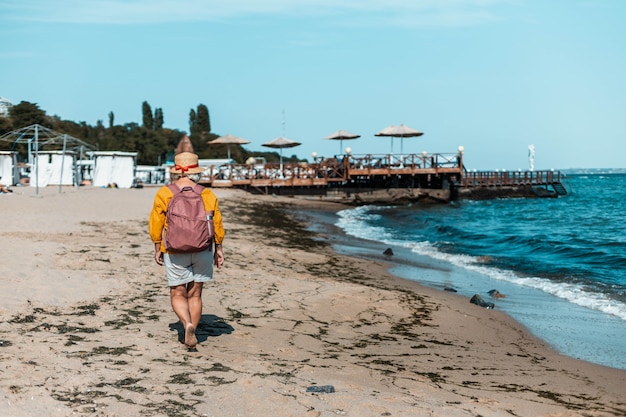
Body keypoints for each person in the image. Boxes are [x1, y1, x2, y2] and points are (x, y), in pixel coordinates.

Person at [149, 151, 225, 349]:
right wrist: (219, 248)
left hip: (174, 249)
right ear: (196, 170)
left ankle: (186, 323)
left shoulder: (165, 193)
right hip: (203, 248)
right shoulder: (206, 193)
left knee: (177, 293)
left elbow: (156, 222)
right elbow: (216, 223)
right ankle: (193, 329)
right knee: (195, 294)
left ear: (176, 171)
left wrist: (157, 246)